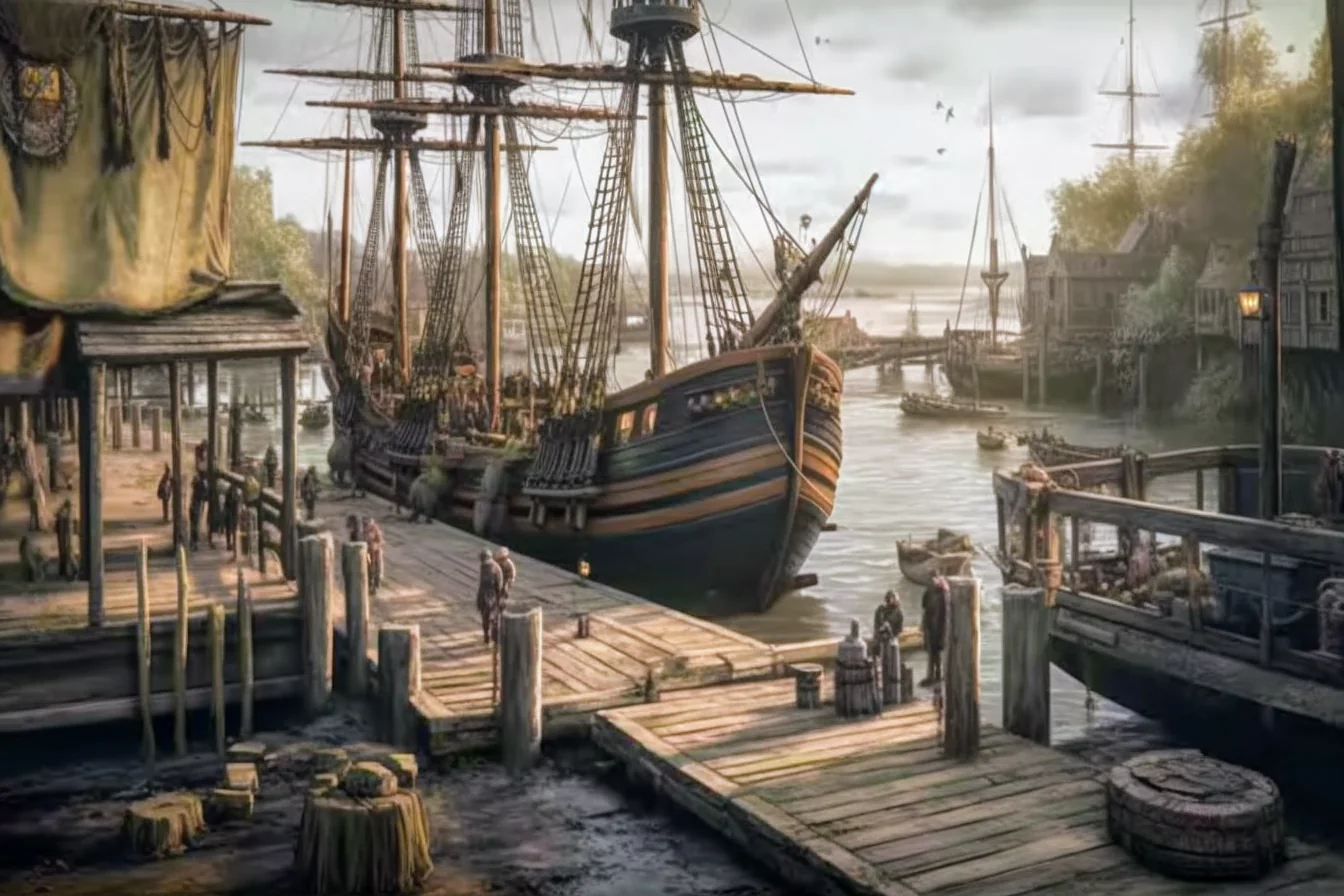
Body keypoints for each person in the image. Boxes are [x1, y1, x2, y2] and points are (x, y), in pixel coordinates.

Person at [921, 574, 949, 686]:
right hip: (932, 627)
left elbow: (945, 615)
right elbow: (924, 609)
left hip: (938, 628)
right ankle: (933, 675)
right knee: (933, 653)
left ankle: (936, 675)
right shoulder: (931, 593)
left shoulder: (943, 595)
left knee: (936, 653)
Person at [477, 547, 504, 645]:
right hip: (483, 594)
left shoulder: (496, 568)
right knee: (484, 618)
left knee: (493, 618)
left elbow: (499, 585)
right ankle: (486, 636)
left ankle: (495, 638)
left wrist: (498, 598)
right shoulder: (483, 567)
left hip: (492, 595)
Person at [362, 516, 385, 595]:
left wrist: (376, 546)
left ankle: (376, 585)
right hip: (368, 553)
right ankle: (370, 584)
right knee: (369, 568)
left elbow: (381, 542)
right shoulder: (363, 532)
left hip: (376, 552)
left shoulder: (376, 530)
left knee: (377, 569)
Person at [55, 498, 76, 580]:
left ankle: (73, 570)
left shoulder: (66, 515)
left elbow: (57, 515)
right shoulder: (67, 514)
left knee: (68, 555)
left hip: (65, 539)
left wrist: (61, 508)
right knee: (67, 555)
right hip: (65, 538)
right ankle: (67, 571)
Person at [223, 484, 241, 554]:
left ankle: (230, 544)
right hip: (232, 514)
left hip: (230, 514)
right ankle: (232, 544)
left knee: (230, 530)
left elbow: (226, 503)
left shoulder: (230, 491)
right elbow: (236, 503)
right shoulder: (235, 492)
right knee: (232, 530)